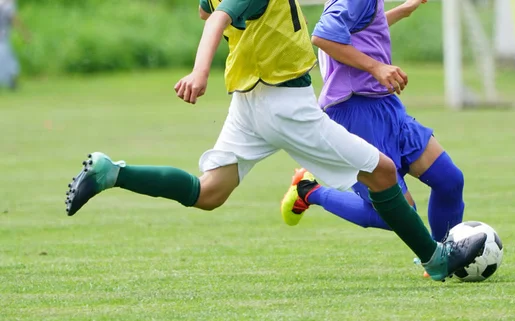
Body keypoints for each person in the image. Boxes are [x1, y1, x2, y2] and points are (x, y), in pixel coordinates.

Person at [64, 0, 485, 282]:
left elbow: (207, 10)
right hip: (286, 103)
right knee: (383, 172)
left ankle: (112, 172)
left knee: (208, 192)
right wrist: (198, 71)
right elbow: (216, 19)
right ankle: (436, 259)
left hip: (247, 104)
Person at [281, 0, 466, 278]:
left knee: (449, 180)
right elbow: (323, 36)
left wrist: (400, 11)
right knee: (396, 212)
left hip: (386, 105)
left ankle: (442, 255)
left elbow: (358, 30)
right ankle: (308, 191)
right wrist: (376, 67)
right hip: (354, 110)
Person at [0, 0, 27, 91]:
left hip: (3, 38)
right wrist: (24, 32)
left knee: (8, 61)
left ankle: (12, 83)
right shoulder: (7, 5)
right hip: (2, 39)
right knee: (8, 62)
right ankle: (12, 83)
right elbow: (14, 19)